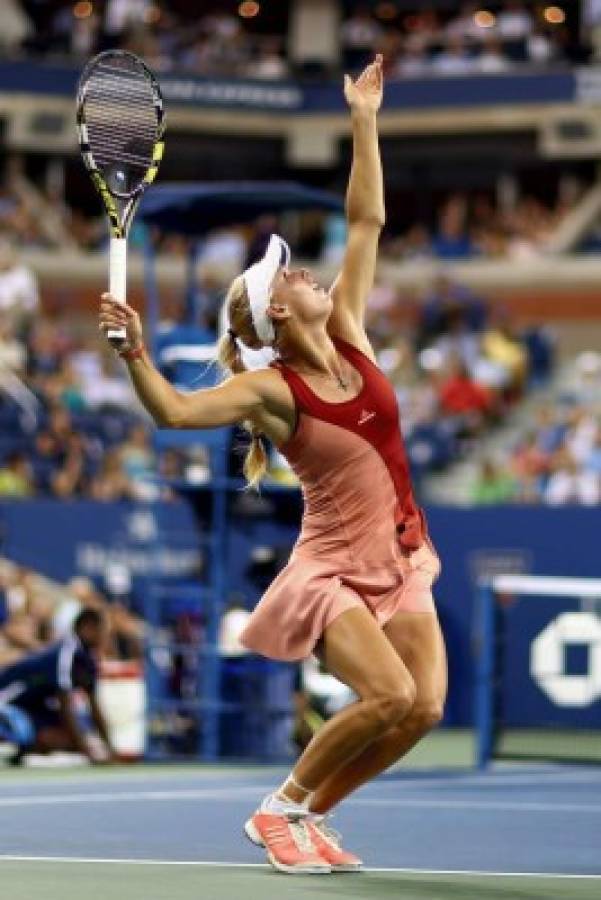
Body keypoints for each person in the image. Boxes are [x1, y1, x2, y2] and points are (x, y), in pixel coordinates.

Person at [98, 55, 446, 875]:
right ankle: (277, 809)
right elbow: (177, 413)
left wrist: (363, 119)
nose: (304, 269)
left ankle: (311, 815)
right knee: (387, 695)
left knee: (423, 707)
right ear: (277, 312)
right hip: (329, 569)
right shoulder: (270, 389)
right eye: (286, 273)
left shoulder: (351, 333)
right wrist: (136, 355)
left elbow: (365, 223)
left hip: (399, 557)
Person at [0, 607, 116, 764]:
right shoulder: (65, 653)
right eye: (103, 632)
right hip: (8, 704)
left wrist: (111, 749)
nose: (106, 638)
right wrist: (87, 753)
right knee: (58, 737)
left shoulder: (88, 659)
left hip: (33, 707)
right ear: (87, 628)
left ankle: (24, 747)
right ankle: (17, 745)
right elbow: (65, 705)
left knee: (72, 734)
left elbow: (94, 706)